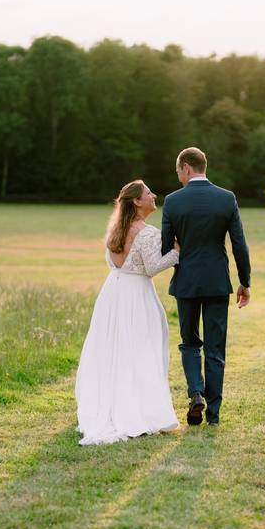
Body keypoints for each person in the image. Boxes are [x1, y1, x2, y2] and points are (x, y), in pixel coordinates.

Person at [74, 180, 181, 444]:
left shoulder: (115, 230)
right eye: (148, 193)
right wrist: (177, 252)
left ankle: (112, 403)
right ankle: (138, 409)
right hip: (136, 296)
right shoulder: (146, 232)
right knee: (142, 349)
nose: (154, 195)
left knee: (114, 349)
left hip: (113, 293)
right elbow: (152, 267)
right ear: (137, 201)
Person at [161, 147, 251, 426]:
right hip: (216, 282)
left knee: (189, 343)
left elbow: (166, 247)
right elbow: (239, 244)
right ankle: (213, 413)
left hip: (186, 282)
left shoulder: (173, 202)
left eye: (178, 171)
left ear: (186, 167)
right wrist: (244, 282)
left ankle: (196, 392)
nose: (178, 177)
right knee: (215, 348)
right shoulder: (226, 198)